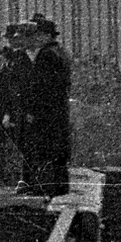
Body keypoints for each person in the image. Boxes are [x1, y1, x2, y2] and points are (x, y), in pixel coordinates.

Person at [20, 14, 73, 197]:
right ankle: (60, 186)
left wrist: (33, 110)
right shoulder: (61, 52)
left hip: (45, 111)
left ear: (47, 35)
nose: (36, 37)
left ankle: (44, 187)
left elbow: (40, 87)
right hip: (59, 109)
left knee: (44, 149)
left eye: (39, 34)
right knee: (58, 149)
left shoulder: (46, 55)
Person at [0, 25, 29, 185]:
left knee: (18, 140)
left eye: (14, 39)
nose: (11, 42)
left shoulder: (22, 62)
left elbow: (16, 90)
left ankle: (17, 173)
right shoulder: (7, 65)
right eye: (10, 39)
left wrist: (8, 113)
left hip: (12, 108)